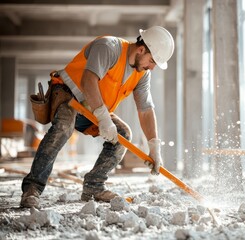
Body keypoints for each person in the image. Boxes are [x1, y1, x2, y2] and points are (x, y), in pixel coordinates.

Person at [20, 26, 175, 208]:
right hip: (68, 95)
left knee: (123, 135)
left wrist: (154, 145)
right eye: (152, 61)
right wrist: (103, 117)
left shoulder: (142, 74)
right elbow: (88, 80)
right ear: (141, 50)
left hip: (93, 107)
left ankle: (94, 186)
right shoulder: (109, 47)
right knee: (63, 127)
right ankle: (32, 189)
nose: (152, 67)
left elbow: (146, 109)